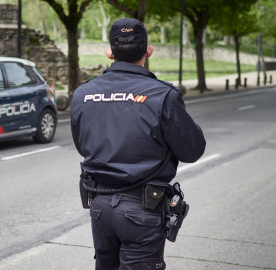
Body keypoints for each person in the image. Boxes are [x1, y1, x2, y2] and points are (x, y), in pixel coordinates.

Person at [70, 18, 206, 270]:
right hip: (142, 210)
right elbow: (193, 150)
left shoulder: (82, 94)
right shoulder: (163, 95)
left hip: (100, 207)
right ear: (148, 51)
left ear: (110, 51)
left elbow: (82, 145)